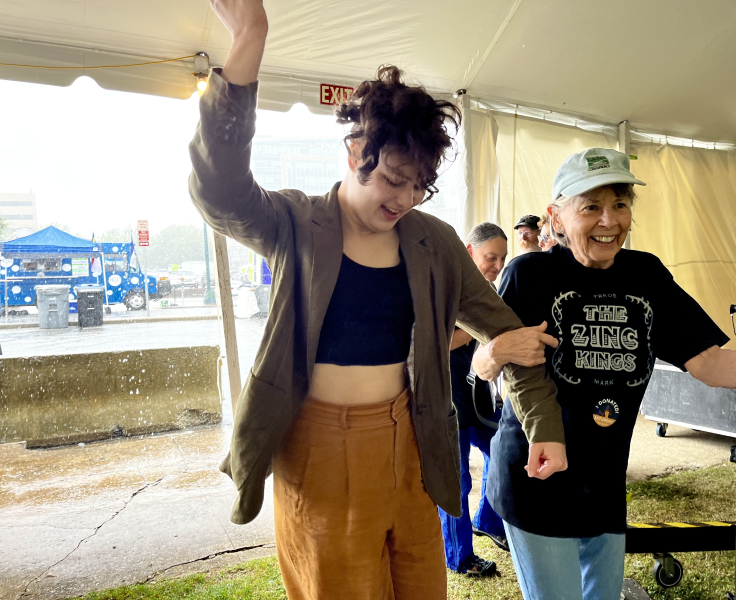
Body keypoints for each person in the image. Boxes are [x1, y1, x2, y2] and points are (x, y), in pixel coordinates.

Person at [188, 1, 567, 598]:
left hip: (415, 443)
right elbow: (219, 186)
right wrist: (249, 39)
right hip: (319, 448)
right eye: (392, 179)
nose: (405, 199)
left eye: (419, 185)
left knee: (420, 585)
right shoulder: (294, 222)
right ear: (354, 152)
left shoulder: (433, 241)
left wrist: (543, 423)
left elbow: (509, 334)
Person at [474, 148, 736, 600]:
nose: (610, 221)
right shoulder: (528, 274)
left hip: (604, 485)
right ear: (557, 216)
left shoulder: (645, 275)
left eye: (621, 204)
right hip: (537, 482)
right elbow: (484, 365)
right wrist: (493, 350)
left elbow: (706, 362)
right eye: (591, 207)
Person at [441, 222, 509, 577]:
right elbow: (434, 344)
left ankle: (488, 519)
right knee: (457, 480)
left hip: (479, 399)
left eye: (502, 258)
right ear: (470, 252)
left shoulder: (491, 292)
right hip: (446, 402)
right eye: (490, 257)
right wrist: (478, 328)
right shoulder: (447, 287)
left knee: (504, 452)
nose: (496, 265)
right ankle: (460, 556)